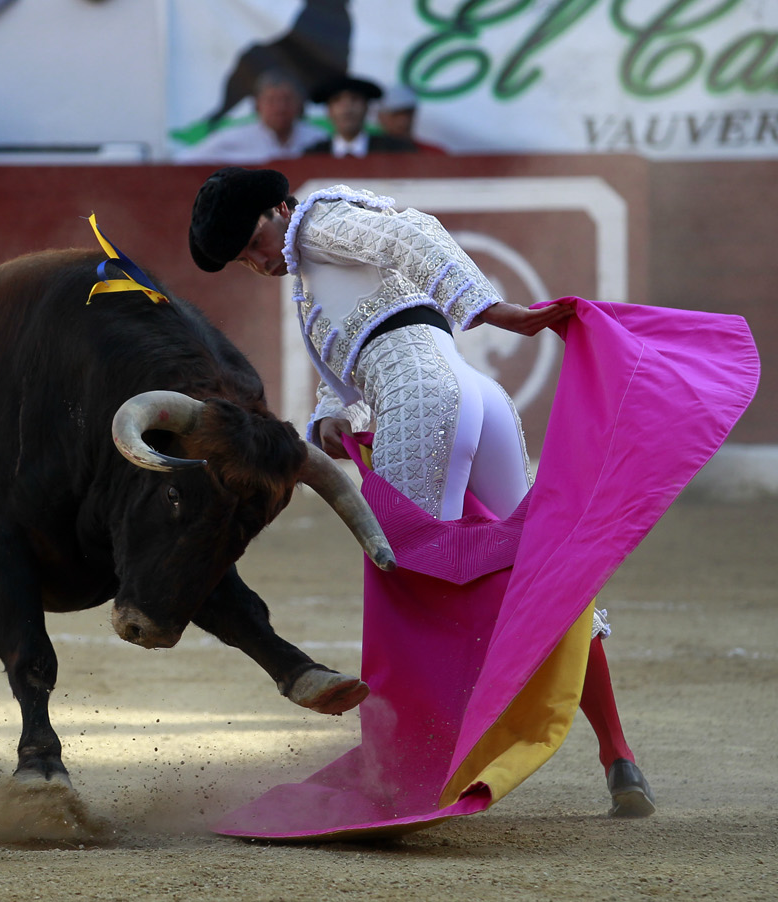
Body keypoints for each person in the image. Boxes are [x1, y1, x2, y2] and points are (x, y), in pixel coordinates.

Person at [187, 167, 655, 817]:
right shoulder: (313, 265)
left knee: (406, 583)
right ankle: (619, 758)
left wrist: (490, 310)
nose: (255, 260)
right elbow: (365, 344)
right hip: (479, 402)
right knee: (547, 570)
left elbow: (413, 236)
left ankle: (404, 768)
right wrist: (333, 412)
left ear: (278, 208)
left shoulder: (318, 223)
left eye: (253, 241)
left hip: (421, 402)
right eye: (241, 258)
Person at [175, 70, 326, 164]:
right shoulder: (232, 139)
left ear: (299, 104)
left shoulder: (318, 139)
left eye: (287, 99)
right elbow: (185, 161)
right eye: (271, 100)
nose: (280, 107)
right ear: (257, 104)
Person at [303, 74, 415, 157]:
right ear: (329, 111)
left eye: (355, 99)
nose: (347, 108)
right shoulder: (313, 155)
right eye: (337, 101)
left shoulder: (395, 151)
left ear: (366, 108)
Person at [374, 83, 448, 154]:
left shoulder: (434, 155)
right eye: (395, 114)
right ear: (380, 116)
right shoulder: (367, 153)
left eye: (408, 113)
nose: (403, 121)